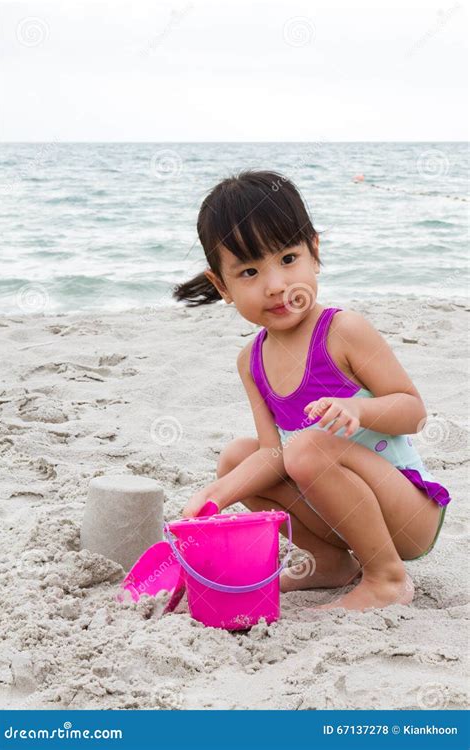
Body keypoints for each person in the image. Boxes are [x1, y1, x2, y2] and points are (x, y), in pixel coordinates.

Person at [173, 170, 451, 612]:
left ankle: (386, 578)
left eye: (287, 258)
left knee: (305, 448)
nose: (276, 285)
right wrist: (216, 496)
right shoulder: (252, 361)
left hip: (407, 513)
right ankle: (329, 562)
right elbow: (270, 453)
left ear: (314, 252)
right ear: (221, 286)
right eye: (249, 271)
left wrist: (359, 411)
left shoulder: (343, 331)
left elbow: (414, 412)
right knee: (236, 459)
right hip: (343, 516)